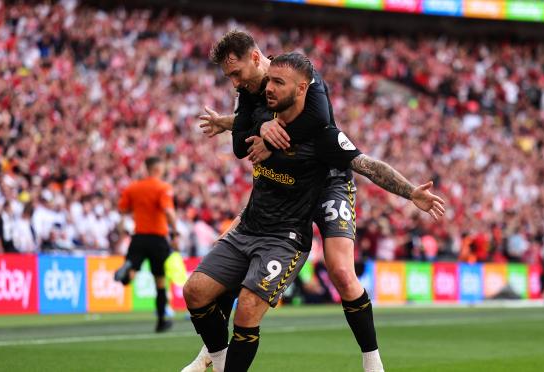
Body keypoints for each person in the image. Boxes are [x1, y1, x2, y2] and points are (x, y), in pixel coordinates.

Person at [183, 30, 442, 372]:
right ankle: (213, 354)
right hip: (286, 190)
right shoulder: (253, 98)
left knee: (340, 271)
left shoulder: (309, 94)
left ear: (259, 60)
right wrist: (251, 129)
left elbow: (352, 152)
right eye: (229, 76)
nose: (234, 83)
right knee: (225, 269)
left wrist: (410, 192)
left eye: (237, 74)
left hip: (330, 179)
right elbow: (243, 136)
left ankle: (372, 361)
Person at [114, 156, 179, 332]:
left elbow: (122, 211)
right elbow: (168, 211)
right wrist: (175, 233)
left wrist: (121, 232)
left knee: (133, 269)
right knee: (160, 281)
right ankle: (161, 321)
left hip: (139, 237)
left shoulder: (133, 188)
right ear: (158, 169)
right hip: (157, 238)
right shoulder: (163, 187)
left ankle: (129, 269)